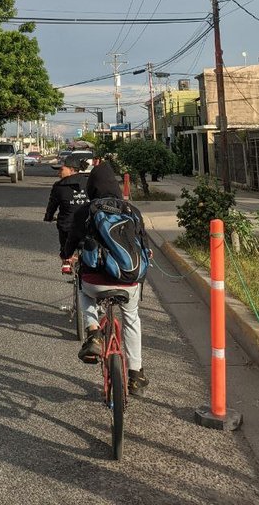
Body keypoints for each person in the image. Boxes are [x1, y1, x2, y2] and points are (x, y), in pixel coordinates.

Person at [61, 160, 151, 397]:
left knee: (84, 290)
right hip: (128, 280)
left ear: (92, 187)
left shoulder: (87, 210)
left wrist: (65, 255)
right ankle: (135, 375)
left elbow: (71, 241)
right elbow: (145, 247)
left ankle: (93, 333)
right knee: (132, 317)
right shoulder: (132, 210)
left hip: (95, 281)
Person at [43, 158, 88, 256]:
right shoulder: (89, 183)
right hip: (88, 226)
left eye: (61, 170)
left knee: (65, 251)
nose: (58, 173)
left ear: (72, 170)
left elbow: (52, 206)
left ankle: (66, 261)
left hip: (67, 228)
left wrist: (48, 217)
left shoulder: (59, 186)